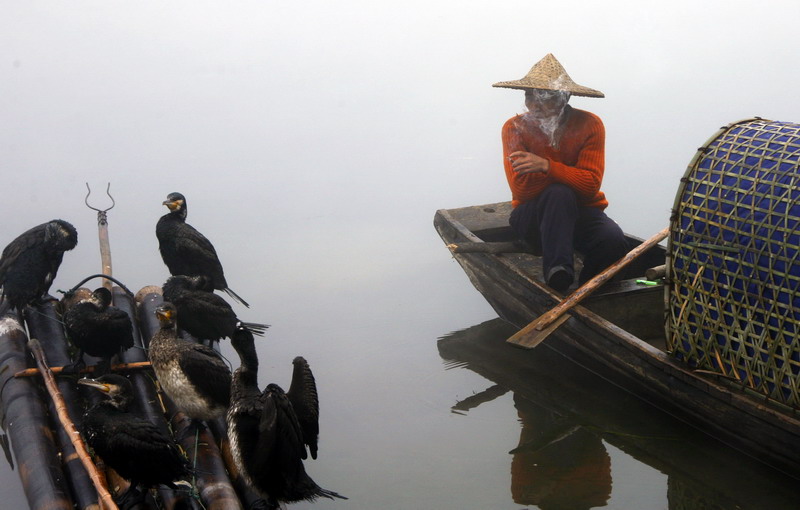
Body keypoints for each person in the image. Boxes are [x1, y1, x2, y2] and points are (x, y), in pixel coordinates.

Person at [493, 53, 628, 293]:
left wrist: (547, 166)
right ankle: (559, 275)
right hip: (532, 219)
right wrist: (566, 176)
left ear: (564, 98)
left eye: (544, 97)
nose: (535, 105)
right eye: (529, 96)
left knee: (612, 239)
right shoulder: (514, 128)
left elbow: (589, 186)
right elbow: (522, 190)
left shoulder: (589, 124)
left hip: (580, 212)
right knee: (558, 193)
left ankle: (588, 292)